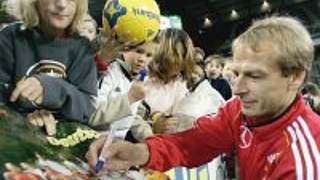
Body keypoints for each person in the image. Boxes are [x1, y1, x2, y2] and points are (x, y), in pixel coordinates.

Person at [86, 16, 320, 179]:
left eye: (255, 76)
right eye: (236, 73)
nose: (237, 89)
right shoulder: (237, 111)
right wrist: (137, 152)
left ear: (295, 77)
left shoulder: (305, 162)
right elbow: (190, 143)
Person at [0, 0, 97, 135]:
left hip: (62, 142)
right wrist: (22, 120)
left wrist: (53, 88)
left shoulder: (82, 49)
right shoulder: (10, 37)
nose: (62, 4)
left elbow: (88, 110)